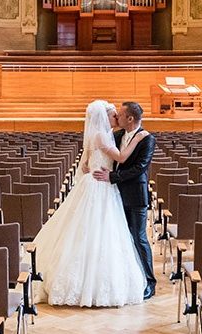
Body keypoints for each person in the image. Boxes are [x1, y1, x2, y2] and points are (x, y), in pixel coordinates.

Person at [31, 100, 149, 306]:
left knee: (100, 232)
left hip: (101, 185)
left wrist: (93, 165)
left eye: (117, 115)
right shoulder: (103, 136)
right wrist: (137, 138)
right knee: (97, 232)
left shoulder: (103, 135)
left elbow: (85, 164)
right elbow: (121, 158)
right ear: (104, 117)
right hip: (101, 187)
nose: (116, 118)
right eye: (113, 115)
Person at [93, 101, 157, 300]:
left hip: (136, 196)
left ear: (130, 118)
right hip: (116, 195)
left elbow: (140, 168)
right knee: (123, 238)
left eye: (119, 115)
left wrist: (113, 177)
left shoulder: (147, 139)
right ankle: (131, 278)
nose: (116, 117)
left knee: (139, 237)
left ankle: (150, 282)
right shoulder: (117, 135)